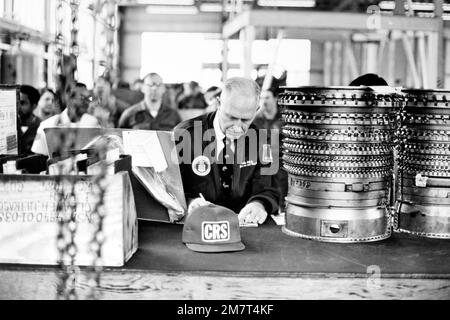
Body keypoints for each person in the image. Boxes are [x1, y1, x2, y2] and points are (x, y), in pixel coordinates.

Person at [175, 77, 280, 225]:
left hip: (244, 228)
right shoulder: (184, 135)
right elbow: (169, 188)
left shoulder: (263, 141)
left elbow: (269, 188)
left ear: (256, 110)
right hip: (196, 227)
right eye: (231, 117)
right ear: (218, 103)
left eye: (245, 120)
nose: (237, 127)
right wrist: (190, 202)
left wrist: (259, 204)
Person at [31, 82, 100, 156]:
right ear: (69, 98)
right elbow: (38, 157)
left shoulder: (93, 123)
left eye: (88, 98)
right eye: (82, 98)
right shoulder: (48, 124)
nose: (87, 102)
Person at [18, 85, 41, 155]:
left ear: (34, 105)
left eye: (22, 103)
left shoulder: (41, 127)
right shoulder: (10, 126)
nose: (18, 106)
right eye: (17, 102)